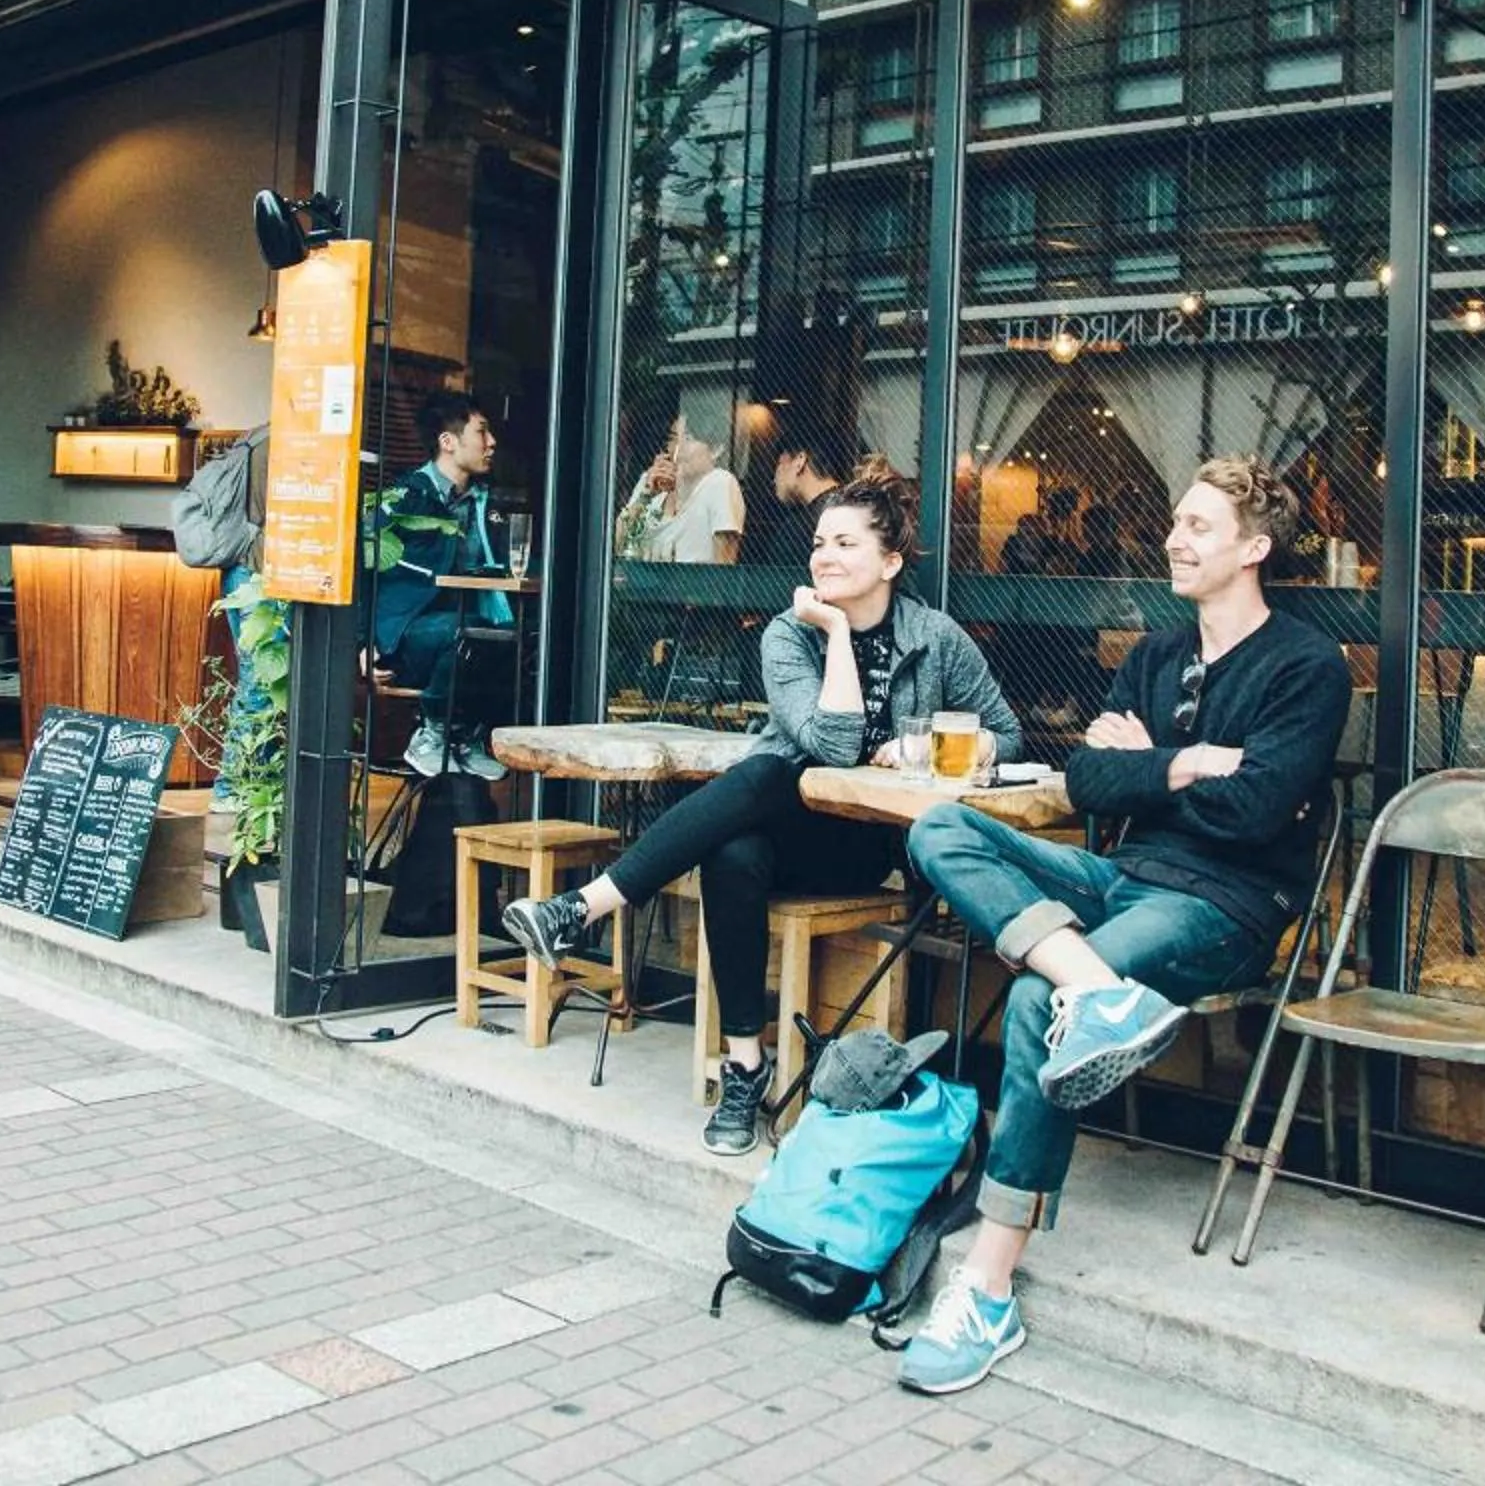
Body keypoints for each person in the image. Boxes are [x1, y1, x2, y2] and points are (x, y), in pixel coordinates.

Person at [895, 455, 1351, 1395]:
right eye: (1178, 522)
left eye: (1199, 527)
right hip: (1119, 876)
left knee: (1033, 997)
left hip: (1223, 904)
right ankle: (1100, 992)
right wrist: (1194, 764)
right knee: (941, 825)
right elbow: (1086, 781)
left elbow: (1257, 813)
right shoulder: (1155, 656)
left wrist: (1156, 762)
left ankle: (987, 1286)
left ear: (1254, 548)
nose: (1175, 540)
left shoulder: (1306, 667)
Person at [504, 472, 1022, 1153]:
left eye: (844, 543)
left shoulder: (936, 638)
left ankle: (582, 909)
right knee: (739, 836)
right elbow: (831, 745)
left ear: (890, 562)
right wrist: (835, 631)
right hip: (784, 830)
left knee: (763, 774)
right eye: (818, 543)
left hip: (865, 848)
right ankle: (745, 1064)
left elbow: (1008, 735)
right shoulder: (788, 635)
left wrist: (939, 742)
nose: (824, 556)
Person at [370, 390, 514, 778]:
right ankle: (433, 732)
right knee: (467, 632)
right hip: (406, 635)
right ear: (448, 442)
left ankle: (466, 735)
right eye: (481, 432)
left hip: (471, 623)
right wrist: (361, 644)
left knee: (513, 638)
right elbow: (363, 567)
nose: (492, 442)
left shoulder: (489, 502)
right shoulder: (406, 497)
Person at [619, 414, 744, 564]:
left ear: (716, 449)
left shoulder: (719, 482)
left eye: (688, 438)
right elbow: (617, 544)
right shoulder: (651, 480)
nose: (678, 448)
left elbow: (724, 565)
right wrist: (646, 494)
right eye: (673, 439)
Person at [746, 424, 850, 568]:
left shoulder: (796, 532)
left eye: (778, 464)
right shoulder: (862, 510)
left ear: (799, 461)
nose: (774, 479)